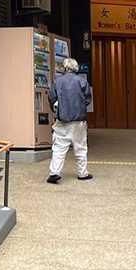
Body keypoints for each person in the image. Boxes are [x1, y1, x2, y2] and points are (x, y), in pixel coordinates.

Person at [47, 57, 92, 185]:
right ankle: (82, 173)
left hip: (62, 119)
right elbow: (88, 99)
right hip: (79, 120)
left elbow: (52, 98)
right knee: (81, 147)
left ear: (65, 68)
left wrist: (57, 110)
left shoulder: (57, 81)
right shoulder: (82, 81)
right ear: (75, 68)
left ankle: (54, 173)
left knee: (59, 147)